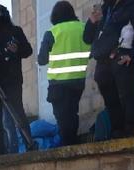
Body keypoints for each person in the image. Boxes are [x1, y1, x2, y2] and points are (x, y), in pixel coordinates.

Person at [85, 0, 134, 138]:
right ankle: (117, 130)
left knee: (127, 95)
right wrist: (91, 22)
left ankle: (131, 130)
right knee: (110, 99)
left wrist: (132, 54)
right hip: (103, 60)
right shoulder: (106, 8)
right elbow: (87, 38)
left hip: (121, 55)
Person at [38, 2, 90, 147]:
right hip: (78, 82)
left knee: (62, 118)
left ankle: (68, 146)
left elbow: (41, 60)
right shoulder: (83, 27)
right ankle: (72, 142)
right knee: (73, 114)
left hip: (59, 84)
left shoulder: (52, 32)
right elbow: (91, 51)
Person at [0, 9, 33, 155]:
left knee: (17, 112)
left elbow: (28, 50)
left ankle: (28, 144)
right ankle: (1, 149)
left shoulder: (15, 31)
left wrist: (17, 49)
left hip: (11, 79)